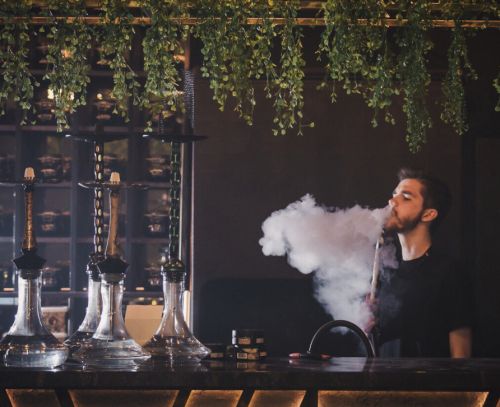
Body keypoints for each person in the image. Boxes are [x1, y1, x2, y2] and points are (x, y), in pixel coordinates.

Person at [374, 168, 472, 358]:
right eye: (394, 194)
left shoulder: (450, 272)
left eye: (406, 197)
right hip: (384, 377)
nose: (392, 201)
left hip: (430, 378)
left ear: (428, 214)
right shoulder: (385, 271)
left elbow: (461, 352)